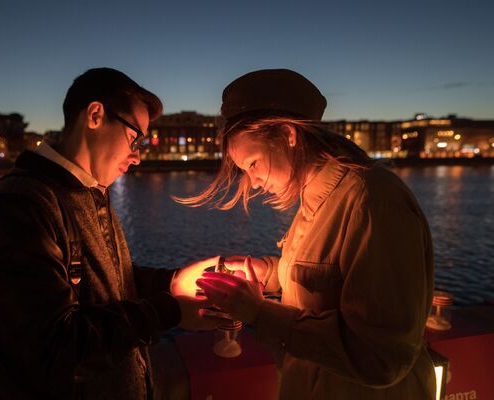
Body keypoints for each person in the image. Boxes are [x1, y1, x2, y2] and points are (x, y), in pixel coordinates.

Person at [0, 67, 221, 399]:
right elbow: (51, 350)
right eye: (134, 137)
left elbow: (105, 287)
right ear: (96, 115)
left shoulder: (86, 192)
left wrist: (174, 281)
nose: (138, 156)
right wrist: (168, 311)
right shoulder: (17, 208)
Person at [187, 69, 437, 399]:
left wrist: (260, 313)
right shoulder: (319, 196)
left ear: (288, 135)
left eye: (253, 163)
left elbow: (382, 358)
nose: (254, 181)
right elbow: (328, 277)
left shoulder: (372, 201)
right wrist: (267, 271)